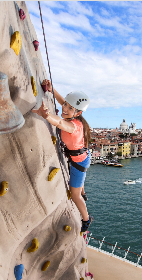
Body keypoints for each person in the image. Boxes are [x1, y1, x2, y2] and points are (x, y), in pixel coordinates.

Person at [31, 79, 93, 232]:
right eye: (65, 105)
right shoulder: (76, 117)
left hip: (79, 162)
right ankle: (83, 191)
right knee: (79, 182)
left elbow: (59, 123)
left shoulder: (73, 126)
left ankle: (86, 218)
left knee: (74, 195)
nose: (64, 108)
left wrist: (46, 116)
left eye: (69, 108)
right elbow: (64, 103)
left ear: (77, 112)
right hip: (81, 157)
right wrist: (52, 90)